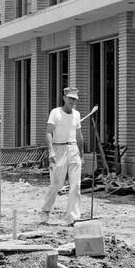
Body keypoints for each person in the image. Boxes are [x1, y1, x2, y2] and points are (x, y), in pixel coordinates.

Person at [39, 86, 84, 226]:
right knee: (56, 185)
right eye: (70, 98)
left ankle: (73, 218)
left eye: (74, 99)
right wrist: (51, 151)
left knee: (75, 186)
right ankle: (45, 211)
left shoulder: (77, 114)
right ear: (64, 98)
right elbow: (48, 132)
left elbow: (79, 135)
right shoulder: (55, 113)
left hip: (73, 149)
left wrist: (82, 154)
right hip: (59, 149)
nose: (72, 101)